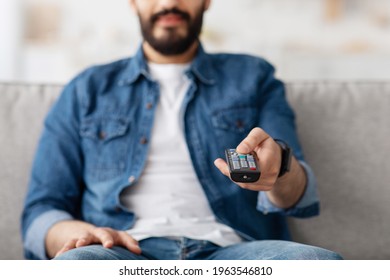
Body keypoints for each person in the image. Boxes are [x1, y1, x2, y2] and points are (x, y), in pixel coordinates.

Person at [21, 0, 342, 260]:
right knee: (76, 266)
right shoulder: (85, 89)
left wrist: (281, 169)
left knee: (318, 265)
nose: (170, 3)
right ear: (132, 2)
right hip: (120, 251)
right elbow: (40, 211)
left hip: (236, 251)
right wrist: (74, 233)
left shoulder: (254, 76)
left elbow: (298, 194)